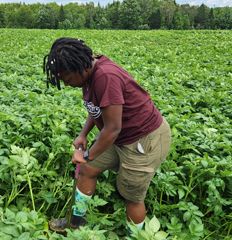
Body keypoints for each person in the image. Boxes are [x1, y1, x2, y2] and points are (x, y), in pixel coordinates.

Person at [43, 37, 171, 237]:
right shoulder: (88, 71)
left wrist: (86, 155)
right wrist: (83, 134)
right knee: (87, 170)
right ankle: (78, 227)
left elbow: (112, 129)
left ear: (80, 67)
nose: (67, 85)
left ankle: (133, 237)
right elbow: (97, 107)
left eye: (68, 79)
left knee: (131, 195)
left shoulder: (105, 76)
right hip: (119, 134)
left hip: (144, 138)